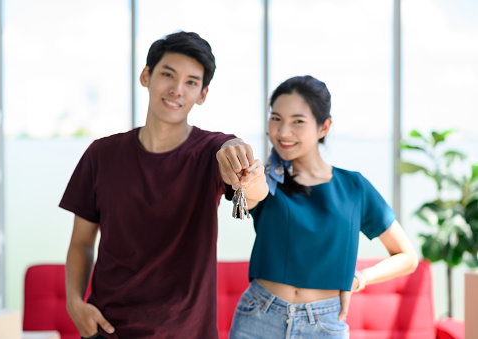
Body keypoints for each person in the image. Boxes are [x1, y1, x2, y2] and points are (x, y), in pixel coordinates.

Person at [59, 31, 268, 339]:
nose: (176, 90)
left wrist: (247, 170)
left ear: (203, 94)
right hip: (107, 329)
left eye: (191, 82)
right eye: (167, 75)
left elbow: (254, 193)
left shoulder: (213, 150)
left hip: (187, 331)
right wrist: (74, 304)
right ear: (146, 76)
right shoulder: (101, 155)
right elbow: (81, 242)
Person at [228, 75, 419, 339]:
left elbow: (408, 257)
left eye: (297, 121)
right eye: (276, 119)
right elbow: (251, 196)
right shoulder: (265, 178)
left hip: (324, 325)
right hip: (258, 317)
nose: (283, 132)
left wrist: (357, 280)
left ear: (324, 127)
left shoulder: (354, 187)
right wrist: (248, 177)